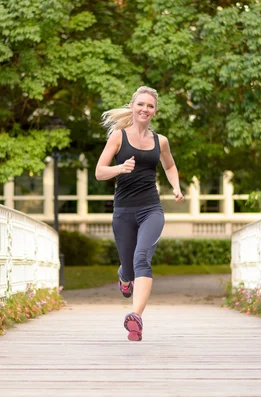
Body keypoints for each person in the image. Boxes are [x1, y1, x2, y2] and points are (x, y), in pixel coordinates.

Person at [95, 86, 184, 341]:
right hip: (123, 211)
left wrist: (176, 187)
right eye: (141, 104)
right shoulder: (118, 137)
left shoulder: (161, 141)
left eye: (150, 106)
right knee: (130, 267)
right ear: (133, 107)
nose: (145, 109)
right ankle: (124, 277)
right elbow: (100, 171)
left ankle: (136, 316)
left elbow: (170, 165)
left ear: (155, 111)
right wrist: (120, 168)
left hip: (151, 210)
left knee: (142, 257)